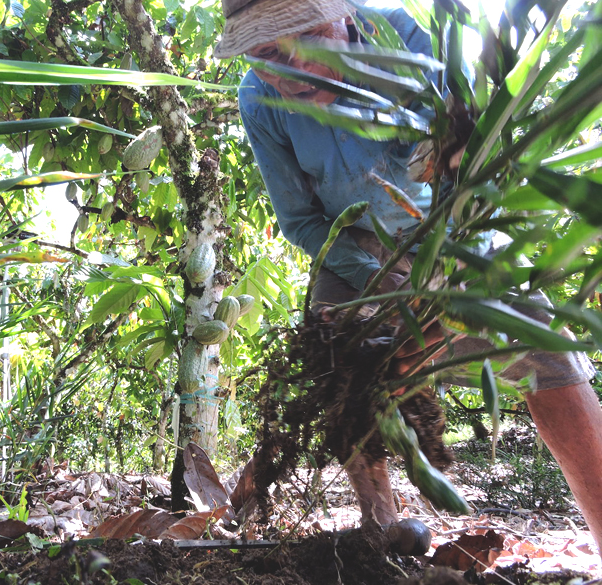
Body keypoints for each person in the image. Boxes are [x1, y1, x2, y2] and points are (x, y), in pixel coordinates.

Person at [214, 0, 602, 556]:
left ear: (341, 20)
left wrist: (443, 290)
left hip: (452, 232)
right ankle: (380, 534)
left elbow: (472, 176)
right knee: (339, 353)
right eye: (264, 54)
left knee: (548, 357)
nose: (285, 74)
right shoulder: (261, 100)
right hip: (355, 246)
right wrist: (379, 287)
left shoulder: (411, 46)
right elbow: (302, 221)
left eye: (298, 46)